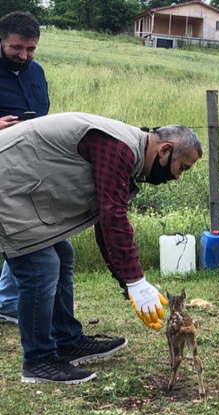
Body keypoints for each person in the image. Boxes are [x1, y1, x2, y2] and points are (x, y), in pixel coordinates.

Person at [0, 112, 203, 384]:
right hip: (8, 184)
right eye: (182, 168)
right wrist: (135, 281)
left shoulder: (127, 150)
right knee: (41, 267)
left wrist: (128, 282)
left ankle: (67, 341)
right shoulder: (119, 147)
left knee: (61, 253)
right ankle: (38, 361)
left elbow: (102, 221)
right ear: (165, 151)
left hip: (20, 185)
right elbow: (112, 216)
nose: (178, 177)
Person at [0, 11, 49, 325]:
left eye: (30, 49)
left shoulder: (36, 71)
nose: (24, 55)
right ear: (1, 40)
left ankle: (5, 303)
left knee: (26, 236)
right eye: (17, 48)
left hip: (30, 164)